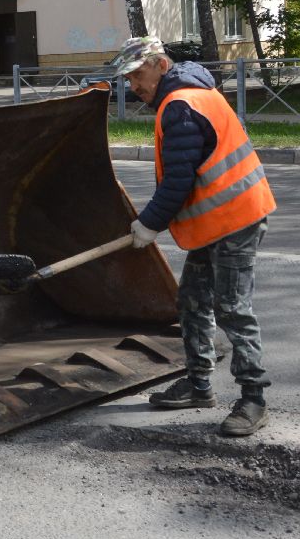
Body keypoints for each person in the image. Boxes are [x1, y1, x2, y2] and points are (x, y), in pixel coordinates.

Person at [112, 35, 277, 436]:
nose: (133, 86)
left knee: (232, 307)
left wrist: (148, 224)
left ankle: (254, 398)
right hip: (217, 221)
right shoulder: (188, 94)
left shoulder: (182, 107)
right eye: (128, 79)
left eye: (137, 75)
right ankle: (199, 384)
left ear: (161, 65)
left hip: (236, 219)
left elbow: (178, 182)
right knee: (192, 300)